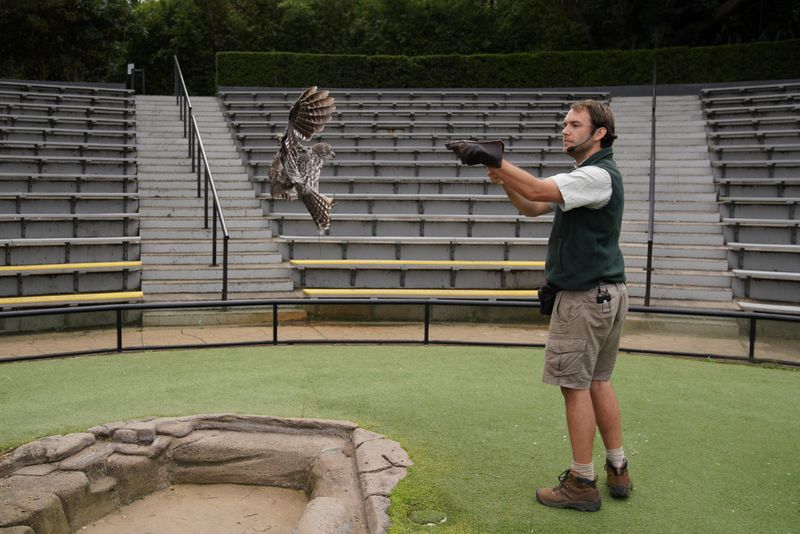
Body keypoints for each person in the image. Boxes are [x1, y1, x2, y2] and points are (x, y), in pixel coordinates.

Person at [445, 100, 631, 512]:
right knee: (599, 380)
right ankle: (617, 467)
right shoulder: (588, 178)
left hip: (585, 298)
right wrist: (499, 174)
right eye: (565, 123)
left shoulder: (598, 175)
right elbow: (530, 205)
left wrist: (496, 158)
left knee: (576, 385)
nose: (565, 130)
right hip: (607, 293)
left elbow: (536, 190)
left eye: (574, 124)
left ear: (598, 133)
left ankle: (582, 481)